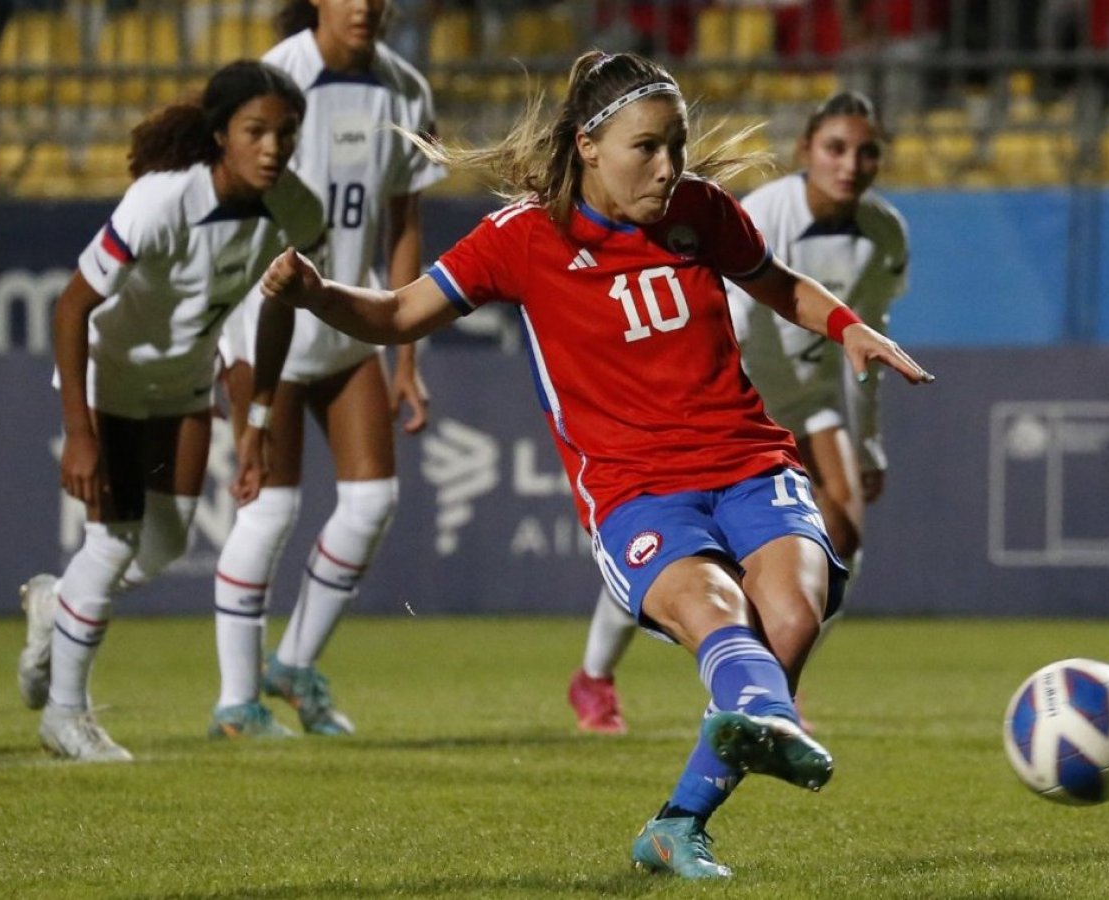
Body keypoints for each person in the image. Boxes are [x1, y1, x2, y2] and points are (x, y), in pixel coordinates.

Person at [258, 49, 934, 878]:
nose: (669, 167)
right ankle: (754, 725)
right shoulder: (521, 237)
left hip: (751, 460)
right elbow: (399, 314)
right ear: (588, 145)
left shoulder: (701, 210)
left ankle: (680, 820)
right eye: (647, 148)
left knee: (795, 614)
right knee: (721, 613)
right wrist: (318, 294)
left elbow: (775, 280)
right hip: (637, 490)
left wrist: (848, 327)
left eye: (677, 146)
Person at [567, 90, 909, 736]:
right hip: (735, 398)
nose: (851, 164)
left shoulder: (885, 233)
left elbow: (867, 340)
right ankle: (594, 676)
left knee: (844, 534)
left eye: (867, 152)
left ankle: (775, 684)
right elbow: (732, 318)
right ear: (806, 151)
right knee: (673, 549)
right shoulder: (763, 212)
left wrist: (867, 444)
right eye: (835, 148)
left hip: (808, 399)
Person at [15, 60, 324, 762]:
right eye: (255, 131)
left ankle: (53, 605)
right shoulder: (161, 200)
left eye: (286, 133)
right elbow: (72, 306)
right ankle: (65, 715)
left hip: (187, 385)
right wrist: (79, 431)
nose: (273, 147)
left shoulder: (298, 211)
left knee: (168, 542)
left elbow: (277, 313)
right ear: (221, 135)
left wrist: (257, 422)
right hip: (114, 380)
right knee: (116, 542)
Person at [206, 0, 446, 741]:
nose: (366, 5)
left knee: (373, 500)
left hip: (347, 320)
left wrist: (406, 357)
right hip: (266, 319)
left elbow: (403, 221)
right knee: (269, 510)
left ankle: (293, 664)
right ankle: (237, 703)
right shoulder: (280, 77)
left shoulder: (408, 90)